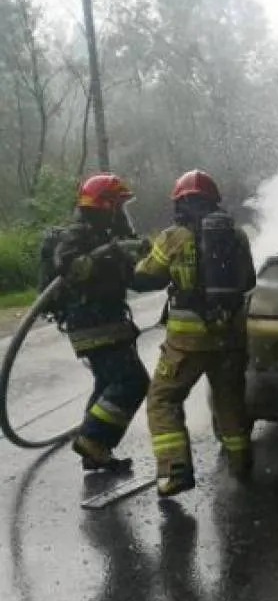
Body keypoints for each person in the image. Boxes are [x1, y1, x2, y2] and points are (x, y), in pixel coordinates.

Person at [129, 169, 256, 499]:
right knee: (230, 401)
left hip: (187, 342)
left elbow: (145, 278)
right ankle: (241, 464)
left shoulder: (174, 237)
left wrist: (136, 259)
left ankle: (175, 471)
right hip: (230, 337)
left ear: (180, 203)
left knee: (163, 399)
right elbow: (248, 281)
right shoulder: (237, 236)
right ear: (214, 201)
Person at [39, 173, 151, 473]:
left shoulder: (105, 235)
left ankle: (96, 451)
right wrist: (108, 253)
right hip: (91, 322)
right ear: (106, 205)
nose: (122, 213)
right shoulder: (78, 235)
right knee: (132, 381)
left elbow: (134, 280)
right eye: (119, 205)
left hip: (107, 320)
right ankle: (92, 439)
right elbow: (71, 271)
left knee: (107, 383)